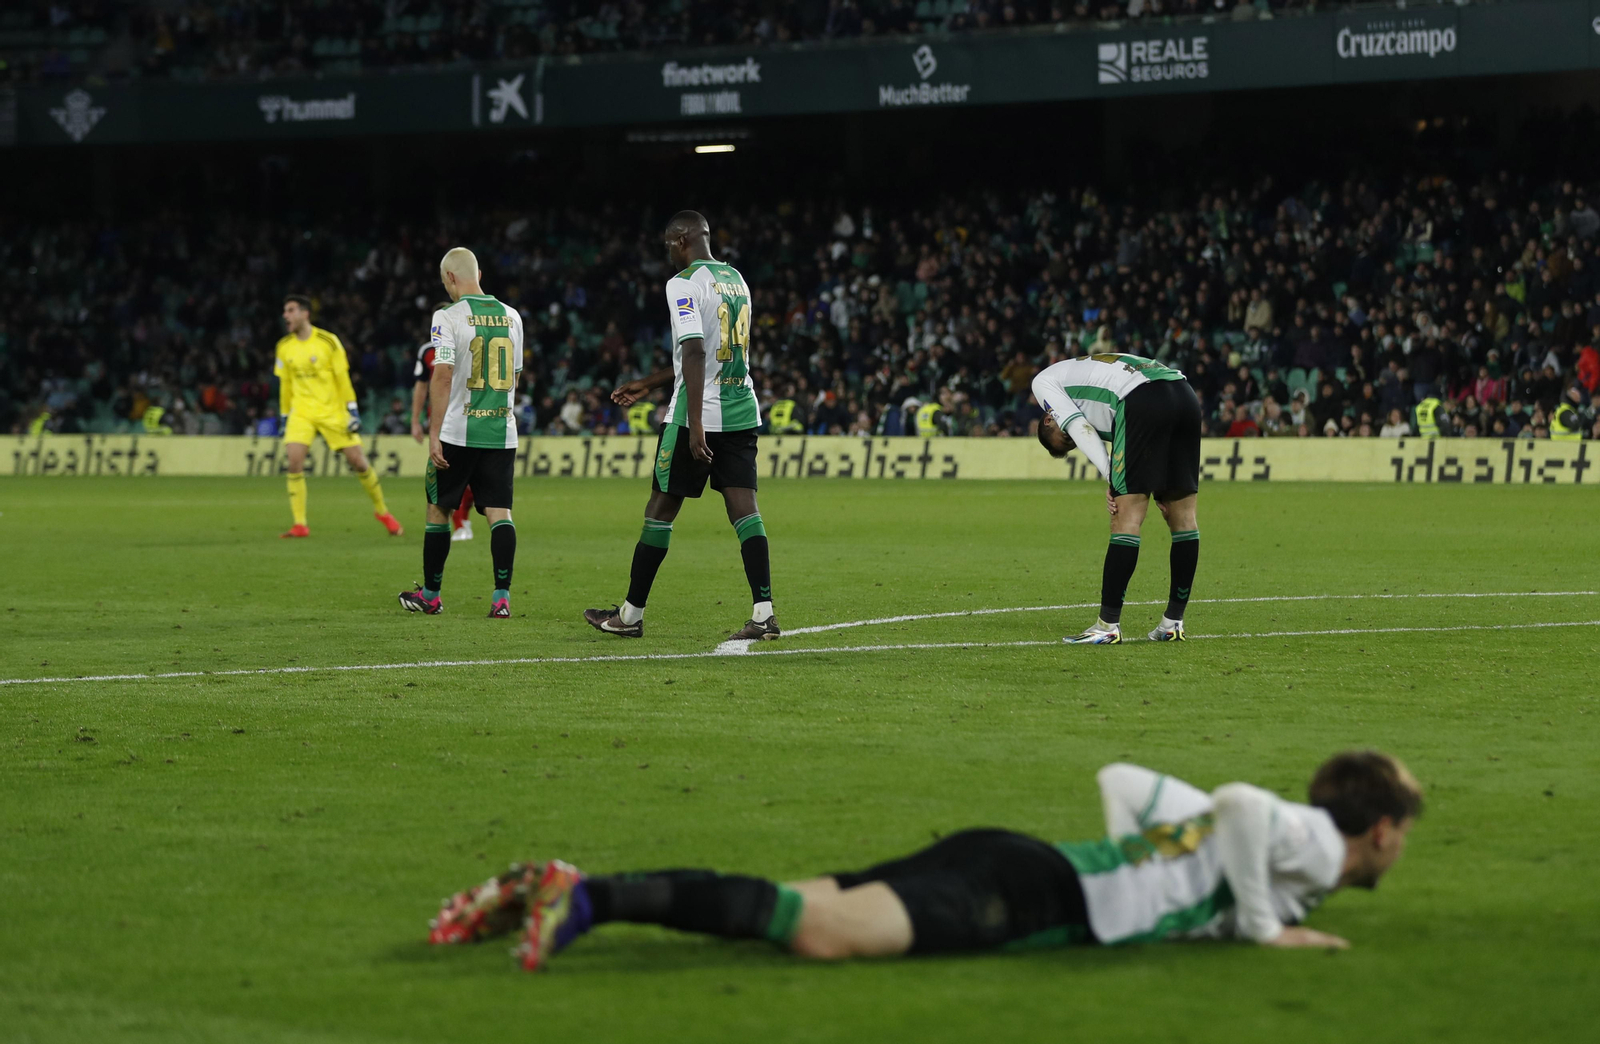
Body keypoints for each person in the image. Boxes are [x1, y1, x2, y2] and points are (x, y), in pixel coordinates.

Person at [427, 751, 1421, 973]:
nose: (1400, 850)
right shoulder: (1301, 836)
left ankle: (576, 894)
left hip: (1023, 859)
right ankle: (582, 896)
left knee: (804, 904)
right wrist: (1258, 924)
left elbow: (1126, 779)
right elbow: (1245, 808)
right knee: (821, 931)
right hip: (1033, 893)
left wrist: (1163, 859)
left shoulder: (1294, 851)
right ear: (1376, 830)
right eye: (1404, 832)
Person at [583, 211, 777, 642]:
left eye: (669, 245)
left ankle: (630, 616)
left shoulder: (683, 283)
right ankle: (764, 612)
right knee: (745, 511)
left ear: (681, 240)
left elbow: (694, 350)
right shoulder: (736, 279)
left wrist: (694, 424)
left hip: (698, 414)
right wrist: (650, 384)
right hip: (741, 409)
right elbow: (713, 352)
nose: (668, 253)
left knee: (660, 511)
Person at [1032, 353, 1203, 644]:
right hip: (1184, 394)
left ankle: (1107, 625)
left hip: (1140, 399)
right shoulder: (1082, 376)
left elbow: (1079, 428)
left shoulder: (1043, 383)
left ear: (1050, 417)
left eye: (1065, 439)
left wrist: (1110, 476)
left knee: (1125, 517)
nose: (1073, 442)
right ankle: (1173, 622)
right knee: (1182, 516)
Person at [397, 249, 524, 619]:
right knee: (500, 513)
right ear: (479, 273)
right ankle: (502, 599)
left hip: (457, 430)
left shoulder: (447, 316)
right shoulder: (512, 316)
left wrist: (434, 432)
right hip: (502, 431)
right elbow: (515, 376)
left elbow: (443, 373)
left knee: (438, 508)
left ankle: (432, 595)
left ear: (450, 278)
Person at [274, 294, 403, 539]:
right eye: (285, 311)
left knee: (359, 462)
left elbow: (342, 379)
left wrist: (352, 409)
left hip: (332, 410)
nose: (285, 316)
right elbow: (286, 385)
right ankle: (300, 523)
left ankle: (382, 511)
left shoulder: (328, 341)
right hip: (301, 412)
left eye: (290, 310)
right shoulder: (284, 347)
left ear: (305, 313)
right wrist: (284, 416)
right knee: (293, 462)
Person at [411, 302, 477, 543]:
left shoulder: (472, 343)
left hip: (468, 416)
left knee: (468, 476)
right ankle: (459, 523)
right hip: (442, 421)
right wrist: (415, 420)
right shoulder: (428, 351)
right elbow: (421, 386)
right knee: (447, 473)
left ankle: (461, 521)